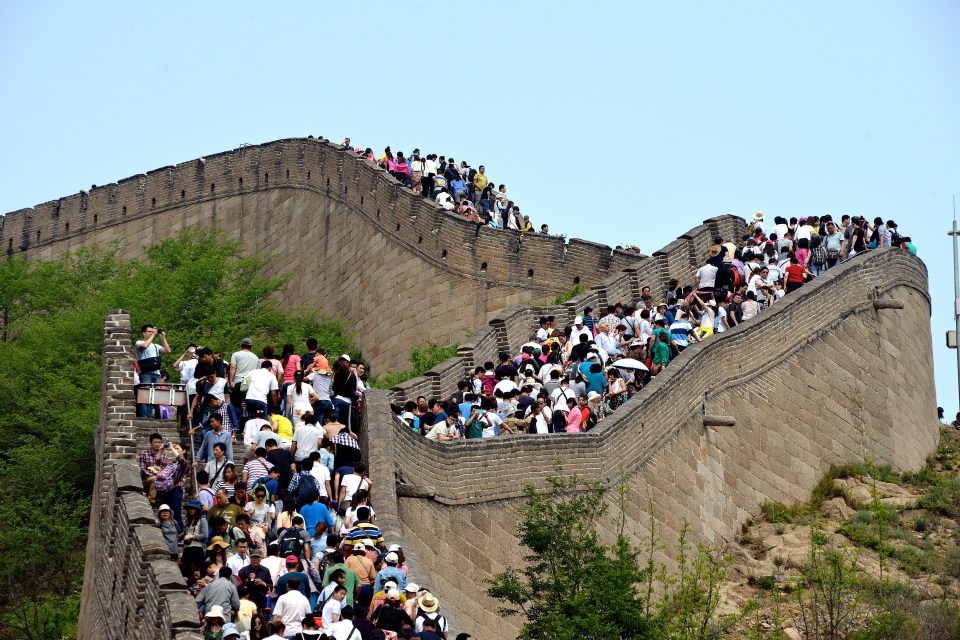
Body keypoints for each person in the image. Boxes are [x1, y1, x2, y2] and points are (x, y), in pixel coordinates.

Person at [136, 324, 171, 418]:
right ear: (143, 333)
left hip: (155, 373)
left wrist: (163, 338)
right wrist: (153, 335)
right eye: (149, 331)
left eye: (153, 331)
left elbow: (168, 351)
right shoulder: (139, 342)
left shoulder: (155, 346)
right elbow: (144, 346)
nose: (152, 333)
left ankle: (149, 415)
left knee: (152, 396)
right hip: (145, 373)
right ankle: (144, 416)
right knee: (145, 395)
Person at [139, 432, 164, 500]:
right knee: (155, 479)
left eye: (159, 442)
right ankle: (151, 500)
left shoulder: (164, 455)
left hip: (161, 478)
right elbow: (143, 469)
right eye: (155, 442)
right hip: (148, 479)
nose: (157, 444)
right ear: (150, 442)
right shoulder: (144, 454)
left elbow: (166, 468)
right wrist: (154, 475)